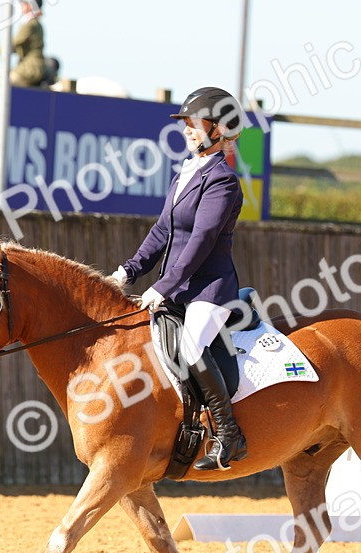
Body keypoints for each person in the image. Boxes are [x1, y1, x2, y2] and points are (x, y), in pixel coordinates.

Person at [113, 87, 249, 471]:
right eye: (186, 123)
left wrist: (162, 287)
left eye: (195, 123)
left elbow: (201, 242)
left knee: (191, 349)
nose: (188, 129)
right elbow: (162, 233)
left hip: (209, 289)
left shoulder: (223, 181)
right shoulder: (185, 173)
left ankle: (228, 435)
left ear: (220, 128)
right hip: (178, 287)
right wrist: (130, 270)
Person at [0, 0, 47, 88]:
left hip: (30, 69)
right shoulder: (36, 24)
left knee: (2, 82)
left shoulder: (30, 25)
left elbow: (12, 45)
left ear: (31, 6)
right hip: (33, 68)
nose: (22, 6)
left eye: (24, 4)